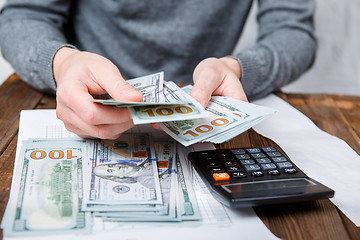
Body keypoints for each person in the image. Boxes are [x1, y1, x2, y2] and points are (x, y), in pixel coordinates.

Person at [0, 1, 316, 140]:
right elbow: (22, 16)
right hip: (81, 100)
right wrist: (64, 62)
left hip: (205, 104)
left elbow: (293, 31)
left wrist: (237, 68)